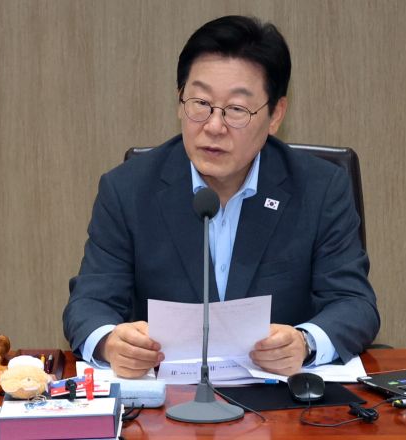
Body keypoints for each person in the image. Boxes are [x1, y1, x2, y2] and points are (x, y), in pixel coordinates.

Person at [63, 15, 380, 378]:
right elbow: (89, 303)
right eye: (200, 103)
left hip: (279, 400)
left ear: (275, 114)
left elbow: (354, 304)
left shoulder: (320, 189)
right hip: (168, 400)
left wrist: (305, 343)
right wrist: (109, 342)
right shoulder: (127, 189)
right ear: (179, 101)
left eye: (236, 110)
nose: (214, 126)